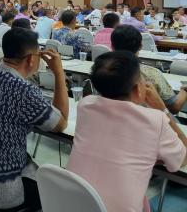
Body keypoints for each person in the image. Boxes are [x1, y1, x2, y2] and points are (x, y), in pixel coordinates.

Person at [67, 51, 187, 212]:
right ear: (138, 90)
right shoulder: (155, 120)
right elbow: (182, 158)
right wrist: (163, 110)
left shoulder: (85, 105)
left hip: (74, 202)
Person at [0, 28, 69, 211]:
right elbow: (60, 123)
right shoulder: (23, 92)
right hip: (4, 190)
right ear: (31, 59)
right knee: (63, 194)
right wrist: (59, 73)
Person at [111, 25, 187, 114]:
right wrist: (184, 90)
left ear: (112, 46)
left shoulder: (104, 72)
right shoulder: (152, 74)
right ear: (141, 46)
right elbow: (175, 108)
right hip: (148, 120)